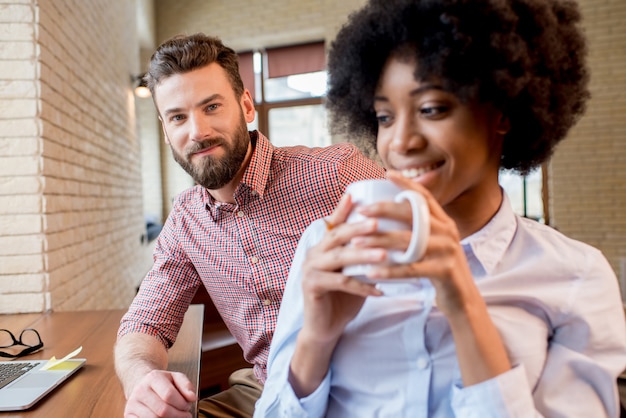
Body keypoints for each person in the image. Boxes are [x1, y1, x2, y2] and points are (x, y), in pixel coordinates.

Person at [255, 0, 626, 416]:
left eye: (431, 109)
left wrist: (463, 304)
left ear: (502, 109)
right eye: (384, 116)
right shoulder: (326, 248)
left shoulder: (577, 277)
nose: (400, 143)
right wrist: (316, 339)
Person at [114, 33, 385, 418]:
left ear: (245, 106)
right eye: (178, 117)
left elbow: (439, 240)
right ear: (165, 129)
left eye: (211, 107)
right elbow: (144, 323)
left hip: (365, 386)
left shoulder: (335, 173)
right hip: (266, 389)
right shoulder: (186, 221)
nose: (197, 132)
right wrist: (142, 379)